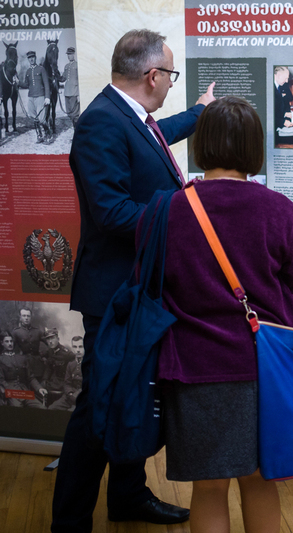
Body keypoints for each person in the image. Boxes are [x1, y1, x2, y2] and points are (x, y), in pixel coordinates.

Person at [51, 29, 215, 532]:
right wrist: (184, 207)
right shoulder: (102, 122)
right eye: (171, 75)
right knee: (100, 408)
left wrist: (200, 112)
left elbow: (155, 136)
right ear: (152, 76)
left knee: (133, 397)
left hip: (137, 289)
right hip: (115, 295)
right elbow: (112, 212)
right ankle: (71, 521)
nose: (171, 84)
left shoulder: (129, 115)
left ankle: (127, 496)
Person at [157, 96, 293, 533]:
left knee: (207, 487)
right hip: (263, 370)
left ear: (200, 144)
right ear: (253, 147)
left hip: (193, 367)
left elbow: (154, 285)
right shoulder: (279, 209)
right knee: (261, 481)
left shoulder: (169, 209)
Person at [0, 331, 44, 408]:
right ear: (2, 343)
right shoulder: (1, 359)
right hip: (11, 391)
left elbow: (30, 377)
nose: (10, 344)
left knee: (41, 407)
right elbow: (1, 380)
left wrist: (39, 388)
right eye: (7, 341)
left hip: (25, 391)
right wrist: (11, 392)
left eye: (11, 341)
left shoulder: (21, 358)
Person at [39, 327, 75, 410]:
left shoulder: (67, 354)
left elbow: (73, 370)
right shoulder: (49, 351)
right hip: (52, 381)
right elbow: (48, 368)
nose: (50, 341)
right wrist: (44, 380)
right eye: (48, 339)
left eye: (52, 338)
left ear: (58, 339)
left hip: (62, 383)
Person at [19, 50, 50, 142]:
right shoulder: (28, 71)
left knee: (42, 119)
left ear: (35, 58)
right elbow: (26, 84)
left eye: (32, 57)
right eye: (29, 58)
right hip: (31, 97)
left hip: (40, 96)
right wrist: (18, 83)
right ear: (28, 59)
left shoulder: (41, 69)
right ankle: (39, 136)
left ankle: (48, 134)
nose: (31, 59)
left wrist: (47, 97)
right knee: (34, 117)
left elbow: (46, 84)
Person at [61, 46, 79, 126]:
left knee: (75, 115)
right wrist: (56, 75)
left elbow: (80, 80)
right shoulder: (66, 66)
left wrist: (79, 94)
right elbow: (63, 78)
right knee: (69, 113)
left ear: (74, 54)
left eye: (70, 54)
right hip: (67, 92)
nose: (69, 56)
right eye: (68, 54)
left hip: (74, 92)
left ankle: (77, 131)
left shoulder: (77, 65)